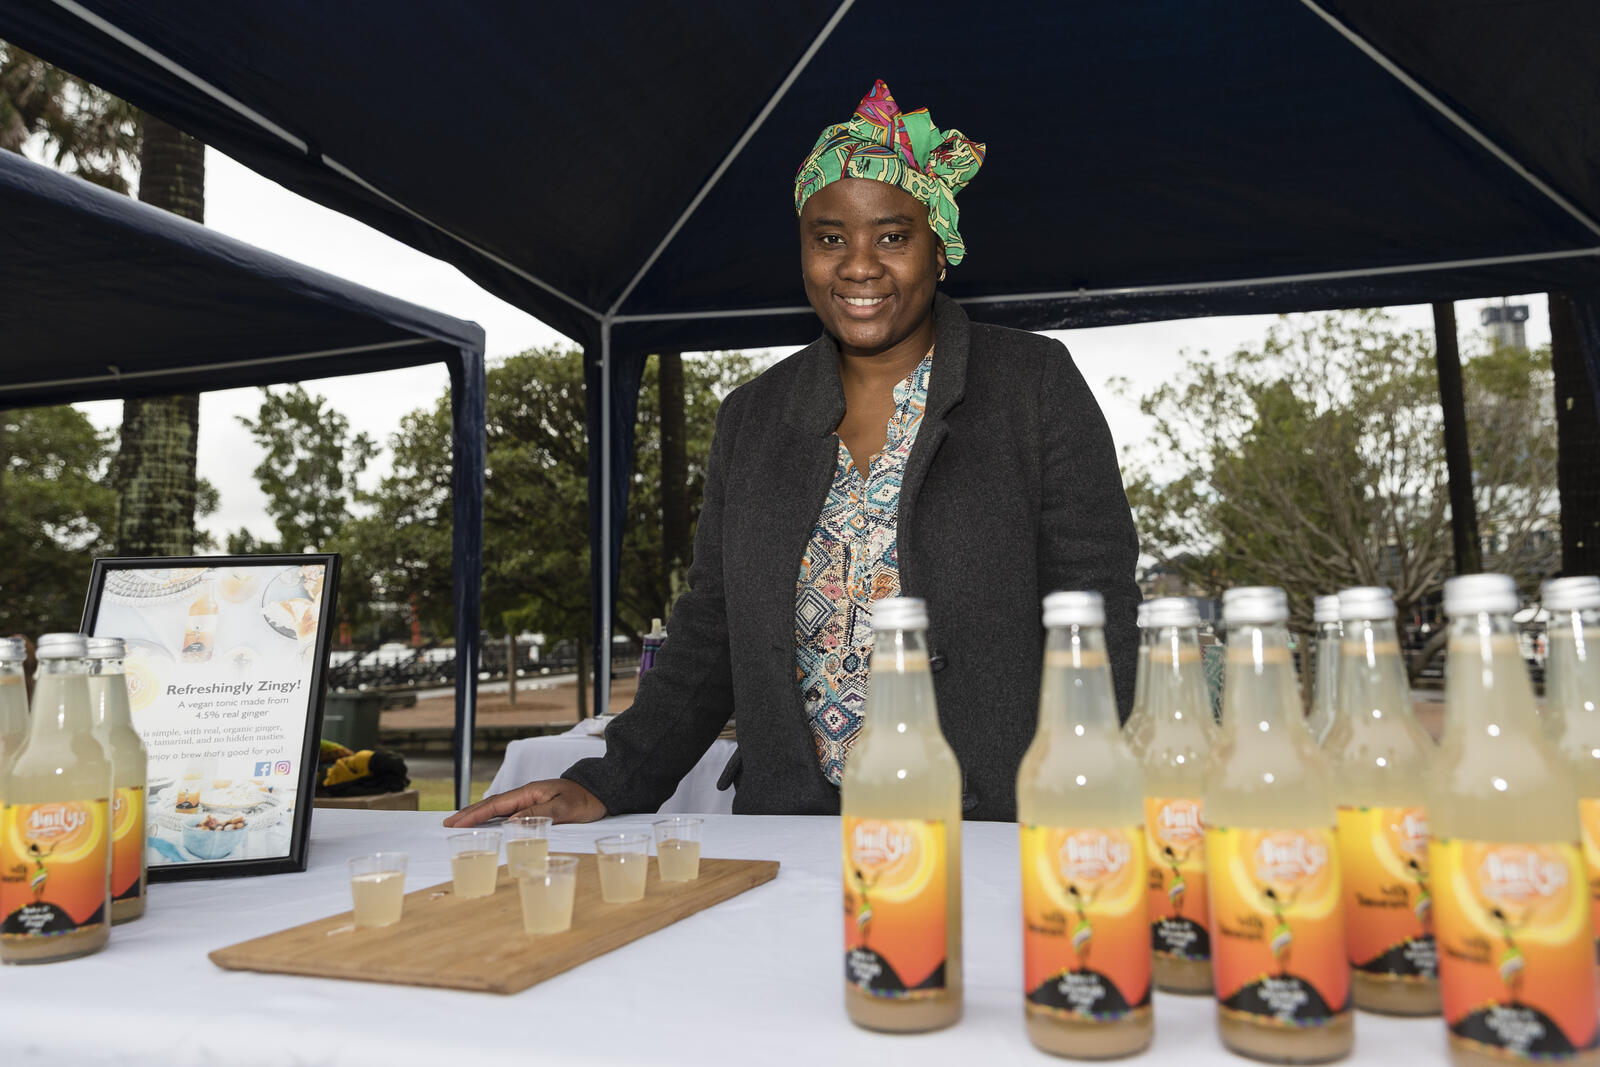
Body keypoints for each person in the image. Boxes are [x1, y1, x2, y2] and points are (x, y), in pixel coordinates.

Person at [446, 80, 1139, 827]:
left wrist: (1088, 799)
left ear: (941, 249)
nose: (859, 265)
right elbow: (711, 628)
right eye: (830, 237)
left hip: (992, 830)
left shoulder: (1032, 385)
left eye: (894, 235)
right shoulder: (752, 418)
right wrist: (614, 777)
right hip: (795, 833)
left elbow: (1099, 613)